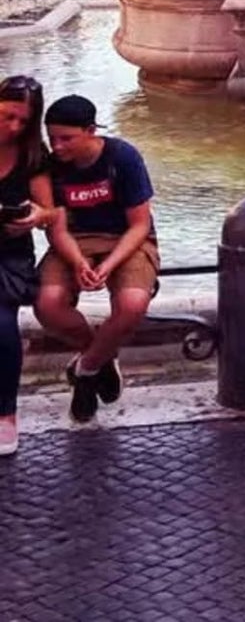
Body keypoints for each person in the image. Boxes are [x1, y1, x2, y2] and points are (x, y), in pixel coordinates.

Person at [34, 94, 159, 423]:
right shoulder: (51, 166)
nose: (57, 147)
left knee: (132, 304)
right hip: (73, 240)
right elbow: (56, 228)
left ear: (91, 131)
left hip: (126, 239)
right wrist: (79, 262)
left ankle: (86, 369)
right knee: (47, 304)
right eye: (52, 138)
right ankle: (103, 356)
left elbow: (140, 224)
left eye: (66, 139)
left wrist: (107, 265)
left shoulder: (123, 157)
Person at [0, 75, 59, 457]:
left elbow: (51, 212)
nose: (14, 126)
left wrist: (36, 216)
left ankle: (5, 413)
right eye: (7, 116)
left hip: (8, 256)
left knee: (1, 323)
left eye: (23, 121)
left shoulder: (32, 154)